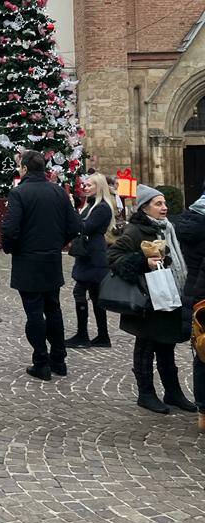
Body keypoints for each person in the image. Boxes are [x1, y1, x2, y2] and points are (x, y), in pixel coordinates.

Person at [108, 184, 195, 414]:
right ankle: (146, 393)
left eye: (165, 203)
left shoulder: (168, 228)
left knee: (167, 343)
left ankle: (173, 392)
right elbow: (114, 256)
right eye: (158, 204)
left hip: (169, 293)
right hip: (147, 297)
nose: (164, 207)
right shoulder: (135, 231)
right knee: (146, 345)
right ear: (145, 208)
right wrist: (142, 262)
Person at [1, 149, 83, 380]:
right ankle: (59, 359)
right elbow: (75, 225)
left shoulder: (19, 193)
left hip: (28, 259)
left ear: (25, 168)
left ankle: (41, 361)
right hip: (50, 258)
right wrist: (57, 243)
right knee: (53, 308)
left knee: (35, 313)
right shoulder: (57, 192)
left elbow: (9, 228)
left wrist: (11, 247)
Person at [65, 172, 114, 349]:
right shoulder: (92, 205)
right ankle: (102, 335)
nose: (85, 187)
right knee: (95, 294)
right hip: (89, 253)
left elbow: (85, 226)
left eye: (89, 185)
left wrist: (71, 211)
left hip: (93, 255)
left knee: (81, 292)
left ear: (99, 187)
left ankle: (83, 335)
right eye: (85, 184)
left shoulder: (101, 207)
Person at [171, 190, 205, 431]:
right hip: (199, 294)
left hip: (194, 293)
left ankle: (202, 410)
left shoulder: (183, 223)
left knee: (202, 354)